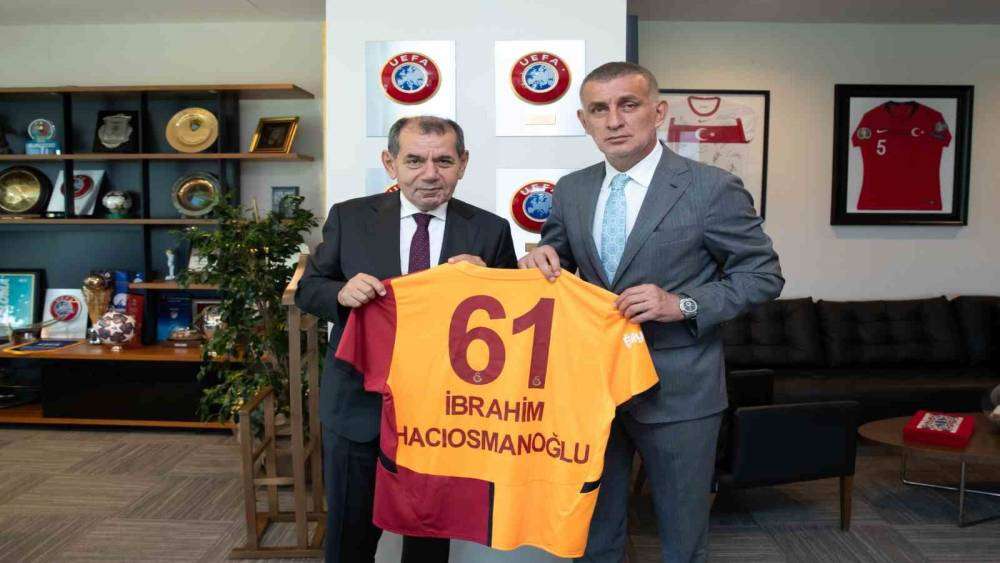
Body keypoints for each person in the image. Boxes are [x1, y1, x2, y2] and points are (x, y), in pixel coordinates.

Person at [520, 62, 783, 562]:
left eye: (628, 105)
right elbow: (559, 263)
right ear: (584, 121)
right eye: (599, 109)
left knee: (682, 534)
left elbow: (763, 275)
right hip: (593, 389)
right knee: (593, 530)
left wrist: (681, 304)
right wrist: (539, 260)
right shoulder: (572, 189)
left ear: (658, 112)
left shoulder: (711, 187)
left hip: (678, 389)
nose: (614, 120)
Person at [296, 115, 517, 563]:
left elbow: (513, 322)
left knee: (429, 540)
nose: (430, 174)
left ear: (463, 164)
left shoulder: (489, 230)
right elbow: (309, 289)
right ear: (390, 163)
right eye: (415, 160)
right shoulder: (349, 217)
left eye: (444, 161)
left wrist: (490, 284)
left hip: (445, 414)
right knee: (349, 537)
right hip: (358, 404)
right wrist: (340, 293)